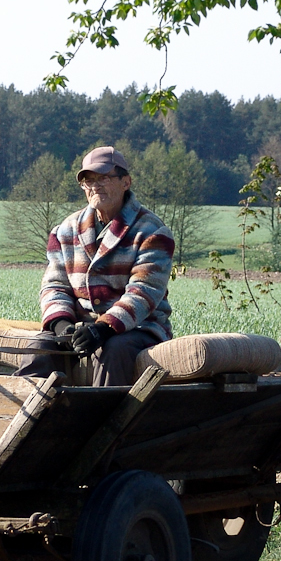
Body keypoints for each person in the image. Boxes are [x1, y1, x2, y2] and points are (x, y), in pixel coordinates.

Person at [14, 145, 174, 386]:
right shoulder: (65, 230)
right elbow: (54, 286)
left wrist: (103, 328)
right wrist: (63, 326)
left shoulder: (152, 232)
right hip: (80, 327)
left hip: (138, 328)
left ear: (126, 182)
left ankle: (101, 411)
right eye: (88, 181)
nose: (95, 186)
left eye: (104, 178)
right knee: (40, 347)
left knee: (113, 349)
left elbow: (143, 293)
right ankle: (29, 408)